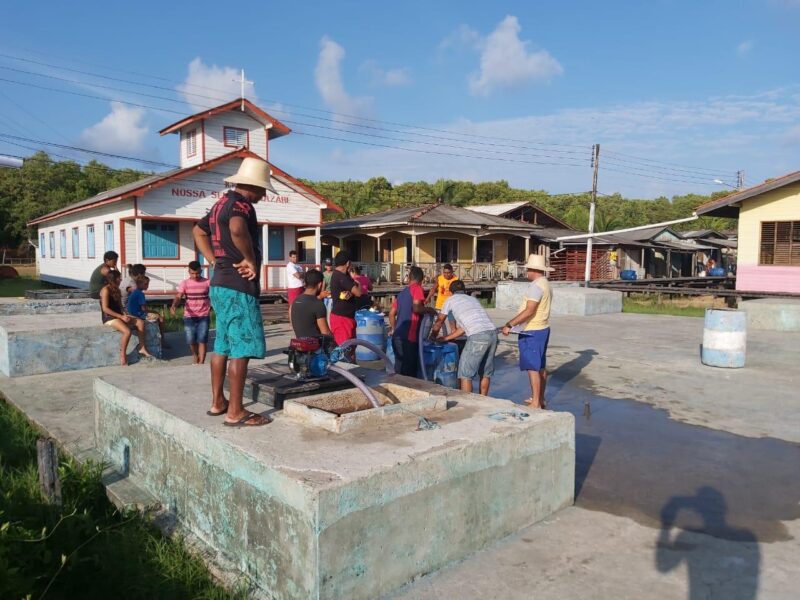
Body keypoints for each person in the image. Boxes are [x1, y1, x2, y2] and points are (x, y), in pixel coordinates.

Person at [194, 157, 273, 427]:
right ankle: (236, 411)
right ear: (251, 186)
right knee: (241, 348)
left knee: (222, 346)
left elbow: (198, 231)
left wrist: (214, 261)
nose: (262, 195)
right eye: (262, 189)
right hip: (239, 288)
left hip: (219, 284)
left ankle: (218, 402)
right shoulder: (241, 205)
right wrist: (249, 258)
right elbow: (238, 229)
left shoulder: (219, 205)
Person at [501, 254, 554, 409]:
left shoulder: (536, 286)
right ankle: (539, 399)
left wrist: (510, 324)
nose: (526, 273)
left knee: (532, 368)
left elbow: (529, 310)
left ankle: (536, 402)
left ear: (532, 270)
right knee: (540, 367)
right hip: (543, 327)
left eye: (527, 270)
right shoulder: (546, 283)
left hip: (532, 330)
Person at [430, 280, 498, 395]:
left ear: (451, 292)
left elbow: (439, 321)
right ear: (464, 291)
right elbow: (463, 329)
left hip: (477, 337)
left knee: (465, 374)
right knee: (485, 373)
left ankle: (467, 403)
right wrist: (446, 338)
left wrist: (432, 337)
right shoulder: (472, 299)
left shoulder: (450, 300)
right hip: (493, 334)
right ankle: (485, 401)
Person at [388, 266, 434, 377]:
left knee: (399, 371)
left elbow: (391, 314)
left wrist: (394, 329)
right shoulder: (417, 288)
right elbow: (416, 308)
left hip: (397, 337)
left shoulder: (402, 293)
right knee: (409, 375)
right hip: (409, 339)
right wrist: (429, 310)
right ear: (422, 280)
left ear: (409, 278)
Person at [99, 270, 150, 364]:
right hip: (109, 317)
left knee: (140, 322)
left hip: (119, 315)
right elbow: (105, 308)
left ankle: (142, 348)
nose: (121, 279)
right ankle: (123, 354)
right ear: (114, 279)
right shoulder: (105, 290)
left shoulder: (117, 290)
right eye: (119, 278)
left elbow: (120, 306)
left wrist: (125, 314)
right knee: (127, 331)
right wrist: (120, 316)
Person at [170, 260, 211, 365]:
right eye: (192, 273)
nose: (195, 275)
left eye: (197, 273)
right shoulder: (184, 283)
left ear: (201, 271)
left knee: (202, 339)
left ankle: (201, 362)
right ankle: (195, 355)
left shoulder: (207, 282)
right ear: (189, 272)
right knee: (191, 339)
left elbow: (214, 296)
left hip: (204, 315)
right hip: (189, 316)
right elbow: (179, 296)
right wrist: (174, 305)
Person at [329, 250, 363, 350]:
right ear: (348, 263)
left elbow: (352, 292)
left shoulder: (339, 275)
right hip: (342, 319)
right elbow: (359, 292)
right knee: (344, 350)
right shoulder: (341, 277)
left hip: (345, 317)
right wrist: (358, 282)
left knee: (351, 348)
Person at [290, 269, 332, 338]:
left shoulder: (295, 301)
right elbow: (325, 332)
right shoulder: (318, 304)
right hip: (315, 345)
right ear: (320, 284)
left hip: (300, 342)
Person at [126, 275, 167, 343]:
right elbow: (144, 309)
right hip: (139, 315)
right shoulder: (140, 294)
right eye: (145, 284)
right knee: (161, 318)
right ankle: (162, 340)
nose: (147, 286)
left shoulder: (134, 292)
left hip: (132, 313)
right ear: (139, 284)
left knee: (157, 315)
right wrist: (155, 312)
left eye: (147, 284)